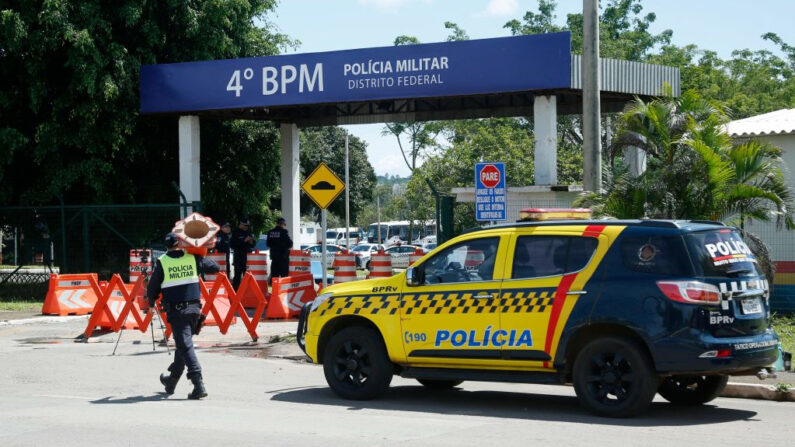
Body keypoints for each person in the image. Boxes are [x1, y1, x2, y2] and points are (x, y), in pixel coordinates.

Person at [146, 233, 219, 400]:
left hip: (177, 312)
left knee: (185, 345)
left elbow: (152, 288)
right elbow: (214, 267)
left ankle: (198, 383)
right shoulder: (192, 258)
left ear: (166, 246)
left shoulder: (163, 262)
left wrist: (151, 304)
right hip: (194, 311)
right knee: (183, 344)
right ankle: (171, 381)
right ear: (180, 243)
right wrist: (199, 253)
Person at [230, 217, 256, 289]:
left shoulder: (249, 232)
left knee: (247, 275)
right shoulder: (235, 232)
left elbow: (253, 244)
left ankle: (246, 291)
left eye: (247, 226)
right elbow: (233, 245)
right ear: (241, 224)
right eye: (245, 225)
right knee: (237, 274)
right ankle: (235, 291)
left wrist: (251, 242)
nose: (246, 227)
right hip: (238, 256)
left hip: (247, 257)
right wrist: (244, 240)